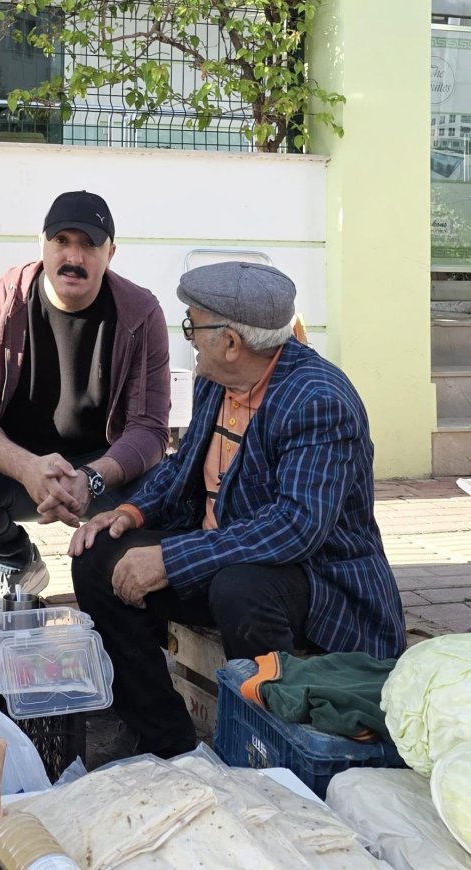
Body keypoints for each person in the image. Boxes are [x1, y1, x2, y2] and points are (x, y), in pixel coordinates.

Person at [69, 261, 406, 763]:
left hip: (316, 584)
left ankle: (269, 747)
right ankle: (168, 742)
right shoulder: (217, 380)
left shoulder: (318, 400)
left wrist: (171, 558)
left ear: (231, 341)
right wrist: (131, 513)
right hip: (223, 557)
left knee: (241, 586)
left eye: (193, 326)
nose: (190, 340)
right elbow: (182, 464)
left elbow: (296, 526)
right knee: (97, 555)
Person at [0, 191, 171, 594]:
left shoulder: (141, 314)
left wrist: (90, 478)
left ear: (111, 253)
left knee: (168, 490)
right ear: (42, 245)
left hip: (102, 473)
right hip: (15, 471)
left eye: (89, 244)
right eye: (61, 241)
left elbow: (149, 429)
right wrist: (27, 468)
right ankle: (17, 560)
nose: (74, 257)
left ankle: (118, 572)